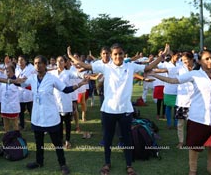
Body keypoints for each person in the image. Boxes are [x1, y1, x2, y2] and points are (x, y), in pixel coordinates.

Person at [67, 43, 170, 175]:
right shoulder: (105, 67)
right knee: (108, 139)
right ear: (111, 55)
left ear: (123, 54)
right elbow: (86, 66)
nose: (118, 56)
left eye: (120, 53)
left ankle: (129, 165)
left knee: (127, 139)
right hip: (108, 110)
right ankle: (107, 163)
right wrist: (70, 56)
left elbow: (149, 67)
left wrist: (162, 56)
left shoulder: (131, 66)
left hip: (125, 110)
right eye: (115, 54)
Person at [149, 49, 211, 175]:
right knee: (195, 146)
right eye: (207, 58)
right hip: (198, 117)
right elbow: (173, 80)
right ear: (199, 61)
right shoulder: (195, 74)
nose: (210, 61)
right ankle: (193, 170)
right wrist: (154, 74)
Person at [16, 55, 88, 175]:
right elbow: (21, 84)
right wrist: (11, 79)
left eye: (40, 63)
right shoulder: (32, 78)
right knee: (39, 142)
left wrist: (80, 84)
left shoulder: (52, 78)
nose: (37, 65)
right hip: (37, 116)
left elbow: (65, 89)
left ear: (45, 65)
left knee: (57, 143)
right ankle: (39, 162)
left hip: (50, 116)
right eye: (35, 63)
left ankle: (62, 164)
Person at [49, 55, 84, 149]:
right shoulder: (52, 73)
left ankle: (67, 140)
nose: (59, 63)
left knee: (67, 123)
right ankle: (59, 140)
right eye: (58, 61)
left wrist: (84, 76)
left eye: (61, 61)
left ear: (65, 63)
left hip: (66, 100)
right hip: (55, 101)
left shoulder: (68, 73)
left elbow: (77, 74)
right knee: (58, 123)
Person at [174, 51, 195, 149]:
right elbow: (166, 70)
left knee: (192, 124)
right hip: (182, 101)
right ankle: (181, 142)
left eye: (186, 60)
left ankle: (191, 141)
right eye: (183, 61)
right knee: (180, 124)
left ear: (191, 59)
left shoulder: (198, 68)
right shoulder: (180, 67)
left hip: (195, 101)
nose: (185, 62)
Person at [15, 55, 36, 130]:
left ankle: (34, 124)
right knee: (20, 110)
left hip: (29, 91)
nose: (20, 62)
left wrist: (26, 79)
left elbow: (34, 77)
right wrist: (19, 79)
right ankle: (22, 125)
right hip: (20, 91)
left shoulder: (31, 68)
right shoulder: (17, 69)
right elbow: (15, 78)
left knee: (31, 110)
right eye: (19, 60)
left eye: (22, 60)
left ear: (25, 61)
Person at [0, 64, 21, 132]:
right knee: (6, 126)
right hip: (5, 107)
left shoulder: (17, 81)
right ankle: (7, 138)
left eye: (8, 71)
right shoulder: (3, 81)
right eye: (6, 71)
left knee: (15, 125)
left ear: (13, 72)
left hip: (13, 107)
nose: (7, 72)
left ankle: (16, 139)